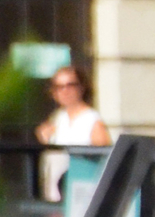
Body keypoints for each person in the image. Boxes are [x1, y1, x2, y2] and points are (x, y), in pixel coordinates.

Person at [35, 65, 110, 202]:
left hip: (81, 194)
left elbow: (103, 161)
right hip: (54, 194)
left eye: (70, 85)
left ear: (81, 87)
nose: (64, 91)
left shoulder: (92, 120)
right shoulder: (57, 118)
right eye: (59, 87)